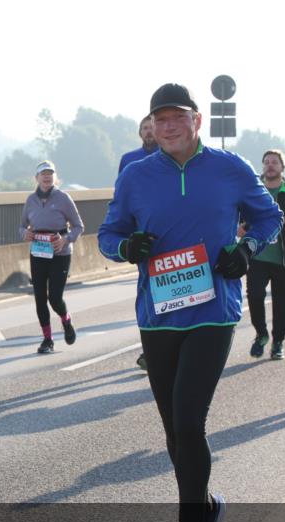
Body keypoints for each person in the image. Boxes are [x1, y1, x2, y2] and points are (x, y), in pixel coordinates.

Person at [98, 83, 282, 522]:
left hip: (213, 310)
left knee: (189, 422)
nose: (169, 126)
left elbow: (270, 216)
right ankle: (208, 509)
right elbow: (108, 235)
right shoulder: (135, 175)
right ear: (152, 126)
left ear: (197, 121)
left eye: (177, 117)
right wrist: (127, 247)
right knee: (173, 433)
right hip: (157, 314)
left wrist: (245, 249)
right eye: (160, 119)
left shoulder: (230, 168)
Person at [243, 149, 285, 360]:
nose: (270, 165)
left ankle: (278, 342)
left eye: (275, 162)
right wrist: (240, 227)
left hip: (284, 257)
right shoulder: (254, 193)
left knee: (282, 302)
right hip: (257, 256)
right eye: (266, 162)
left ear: (283, 167)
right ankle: (261, 334)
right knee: (254, 295)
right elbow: (238, 216)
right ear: (262, 167)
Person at [21, 160, 84, 354]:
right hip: (38, 252)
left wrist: (65, 240)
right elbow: (22, 226)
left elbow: (78, 226)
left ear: (55, 177)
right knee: (40, 297)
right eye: (43, 174)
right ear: (37, 178)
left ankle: (66, 320)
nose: (46, 177)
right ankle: (47, 340)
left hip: (59, 253)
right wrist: (25, 234)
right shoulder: (30, 200)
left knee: (54, 298)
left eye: (50, 173)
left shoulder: (63, 198)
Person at [119, 116, 159, 371]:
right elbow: (120, 197)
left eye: (151, 128)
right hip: (140, 237)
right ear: (140, 132)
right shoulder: (129, 160)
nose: (148, 132)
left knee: (166, 286)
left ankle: (157, 346)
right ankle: (151, 346)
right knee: (149, 289)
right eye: (144, 128)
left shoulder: (169, 156)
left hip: (166, 232)